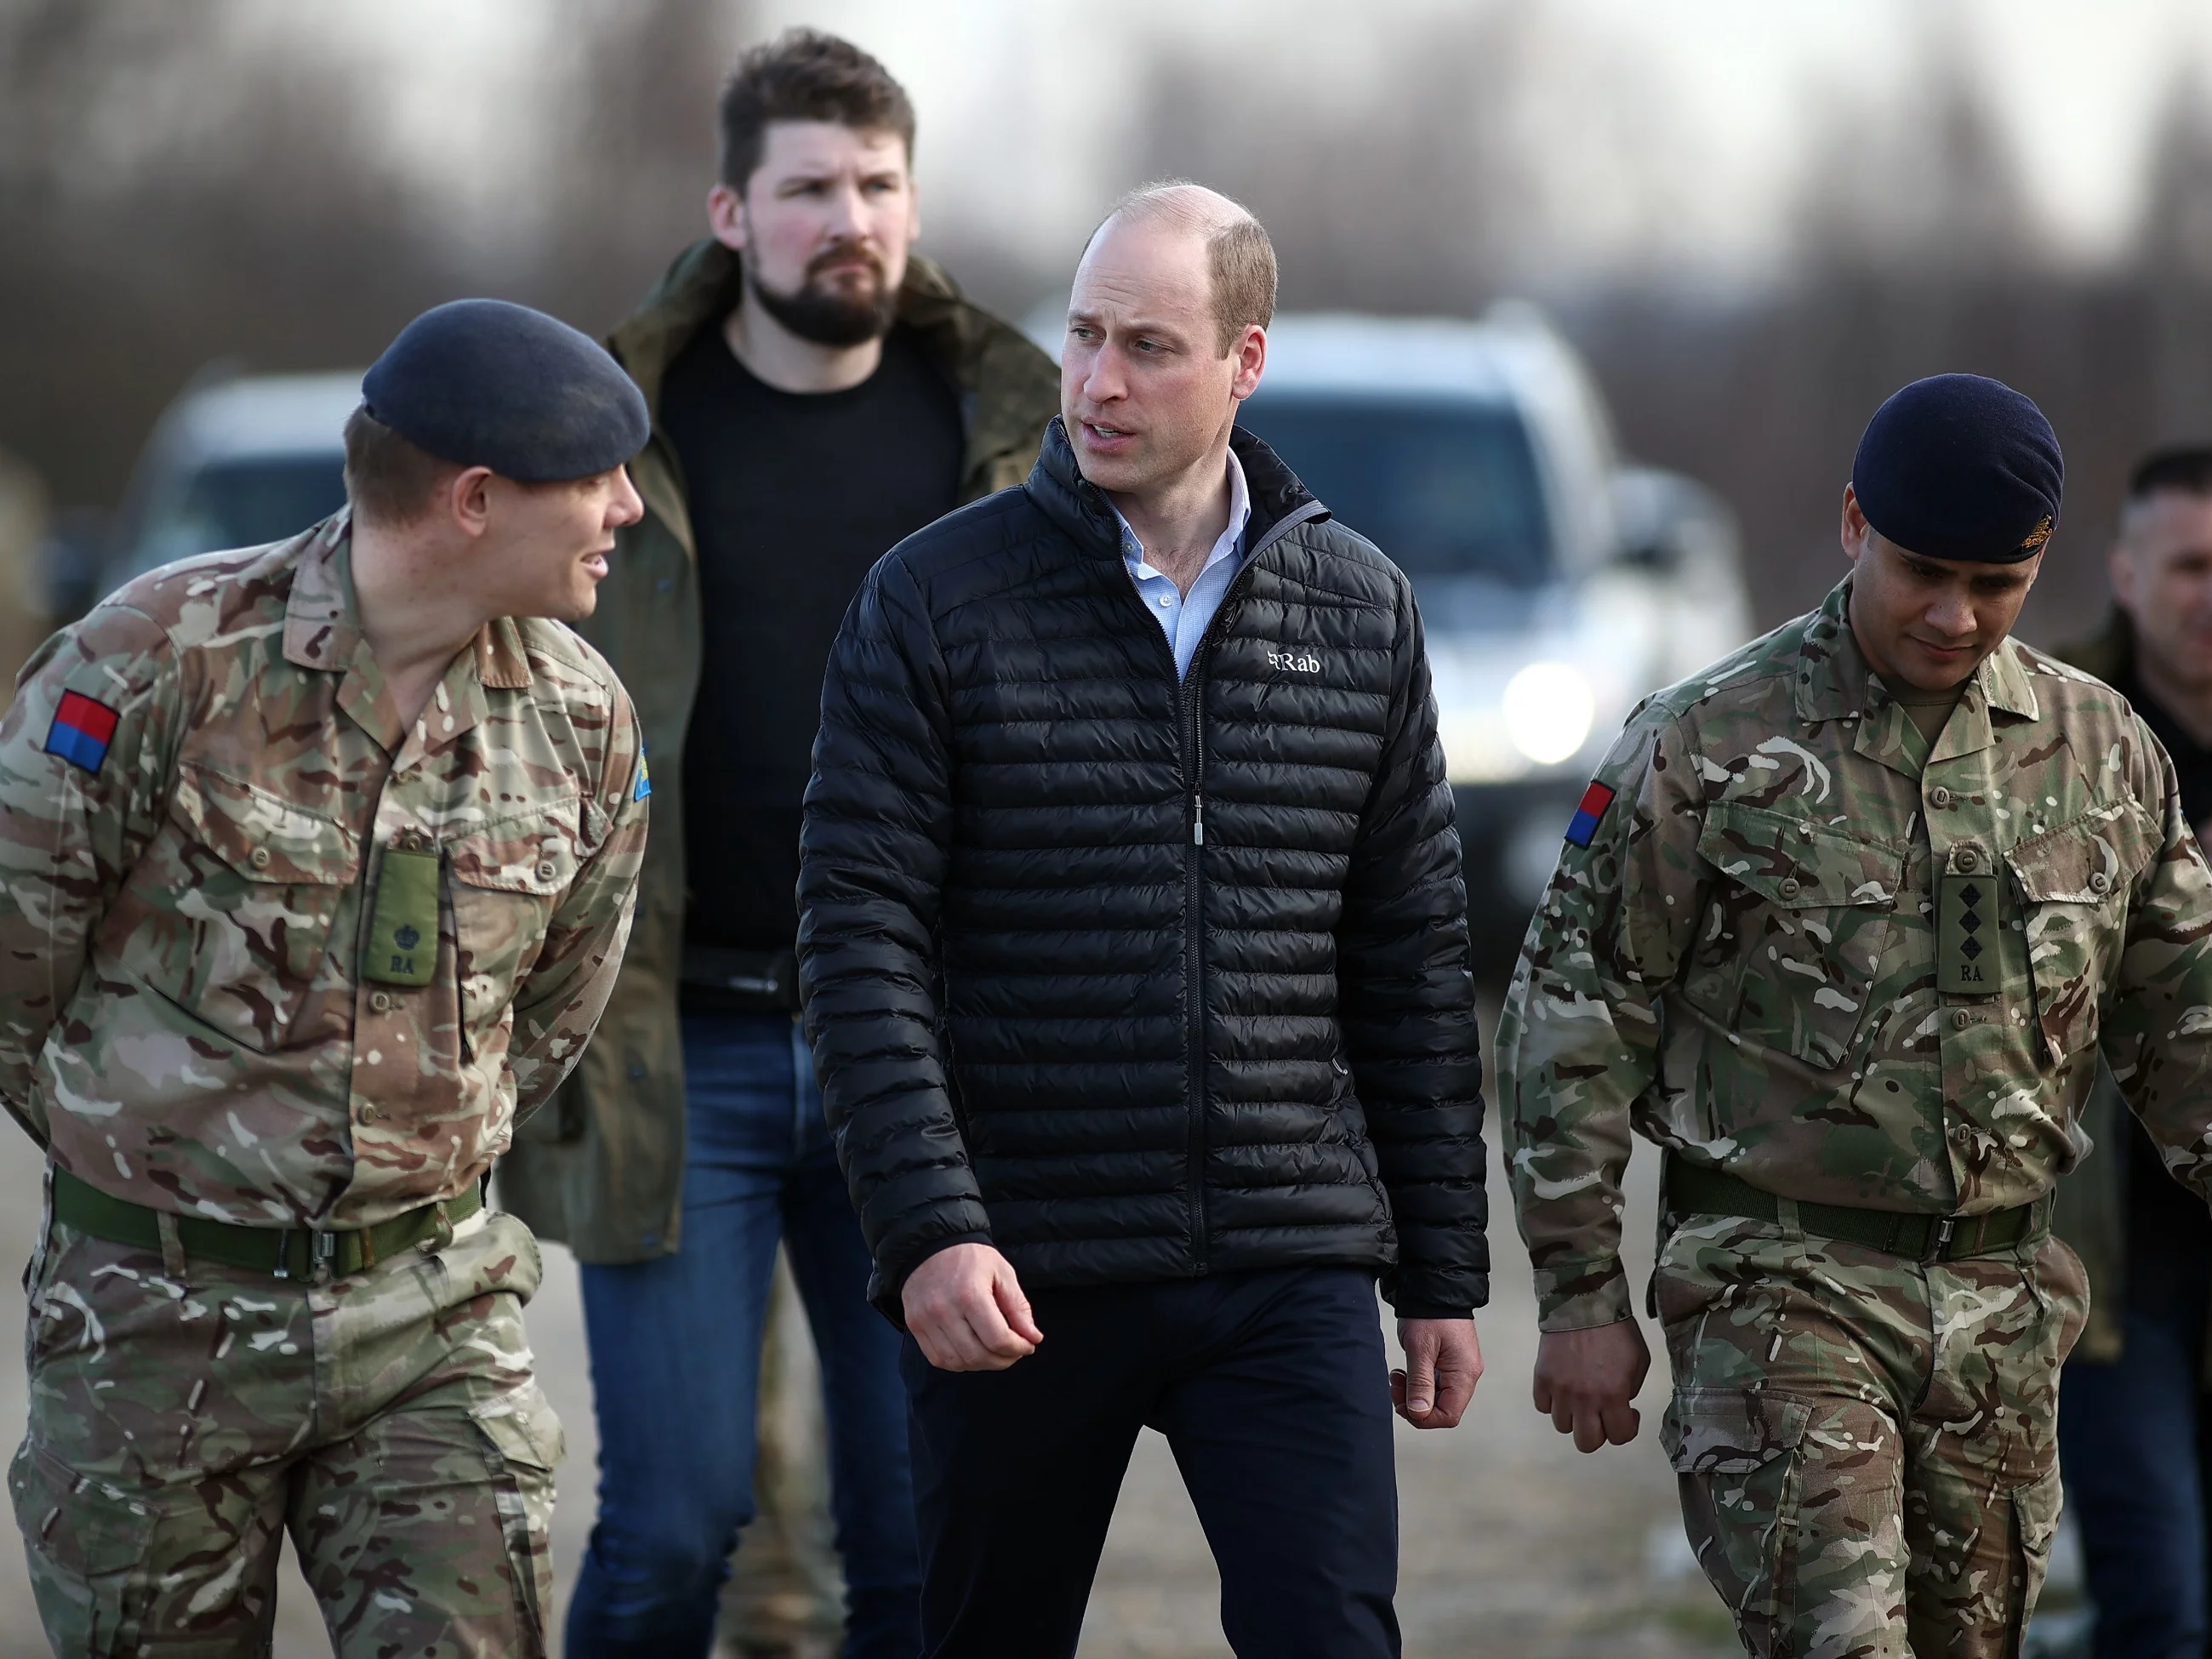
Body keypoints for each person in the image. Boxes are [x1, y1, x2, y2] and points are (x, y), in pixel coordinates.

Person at [798, 182, 1490, 1659]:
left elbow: (1411, 959)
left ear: (1246, 362)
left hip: (1283, 1260)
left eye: (1152, 346)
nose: (1102, 381)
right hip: (1021, 1262)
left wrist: (1440, 1270)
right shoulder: (932, 601)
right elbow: (859, 942)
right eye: (1086, 336)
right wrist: (929, 1227)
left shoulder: (1360, 607)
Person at [491, 30, 1059, 1659]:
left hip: (927, 1064)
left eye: (878, 184)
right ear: (731, 212)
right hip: (684, 1047)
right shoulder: (611, 430)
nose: (850, 218)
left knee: (916, 1535)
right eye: (808, 187)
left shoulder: (1008, 430)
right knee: (673, 1528)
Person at [1497, 374, 2212, 1658]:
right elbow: (1576, 1011)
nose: (1955, 615)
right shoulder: (1704, 745)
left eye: (1995, 582)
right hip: (1779, 1288)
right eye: (1923, 571)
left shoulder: (2104, 756)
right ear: (1850, 525)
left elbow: (2187, 1026)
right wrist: (1577, 1290)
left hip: (2002, 1307)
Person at [0, 298, 652, 1656]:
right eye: (596, 478)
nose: (628, 509)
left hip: (432, 1320)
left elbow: (554, 1011)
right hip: (156, 1334)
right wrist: (162, 1176)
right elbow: (15, 966)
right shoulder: (155, 659)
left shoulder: (584, 719)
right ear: (476, 499)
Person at [2050, 444, 2212, 1659]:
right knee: (2159, 1607)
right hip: (2108, 1261)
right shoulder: (2051, 740)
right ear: (2127, 571)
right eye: (2191, 565)